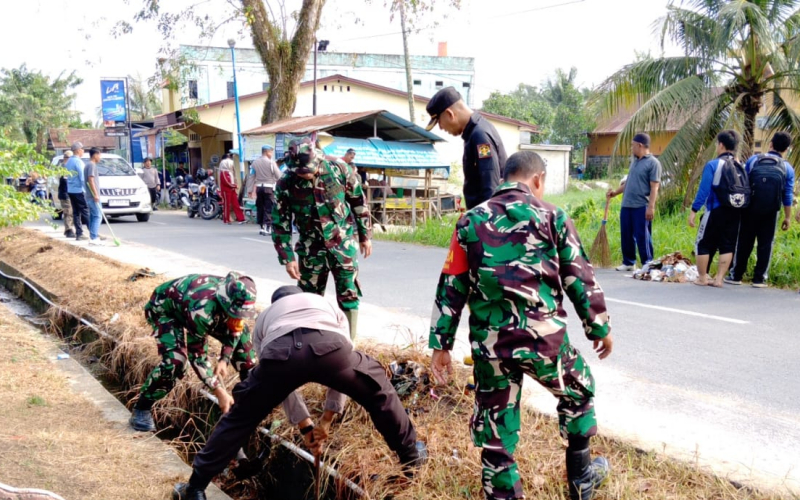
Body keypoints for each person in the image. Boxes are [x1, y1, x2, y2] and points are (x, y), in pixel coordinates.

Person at [429, 150, 613, 500]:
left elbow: (451, 286)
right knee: (579, 392)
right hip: (545, 342)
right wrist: (599, 327)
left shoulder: (470, 220)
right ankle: (582, 480)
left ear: (504, 178)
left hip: (491, 346)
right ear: (538, 180)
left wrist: (441, 346)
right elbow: (580, 278)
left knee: (495, 430)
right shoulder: (553, 216)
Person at [171, 285, 426, 500]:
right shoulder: (322, 303)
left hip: (279, 353)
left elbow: (280, 384)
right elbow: (342, 370)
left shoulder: (266, 316)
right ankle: (412, 458)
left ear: (276, 303)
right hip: (331, 347)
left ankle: (194, 488)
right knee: (379, 391)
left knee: (238, 419)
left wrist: (306, 426)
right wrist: (326, 419)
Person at [129, 272, 258, 432]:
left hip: (198, 307)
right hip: (164, 309)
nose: (237, 316)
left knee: (245, 353)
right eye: (233, 313)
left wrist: (225, 359)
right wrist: (218, 391)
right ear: (225, 302)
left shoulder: (237, 293)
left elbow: (237, 327)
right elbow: (197, 357)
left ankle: (248, 406)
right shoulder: (202, 311)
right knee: (175, 362)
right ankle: (142, 408)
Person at [272, 141, 371, 340]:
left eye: (307, 171)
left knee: (349, 296)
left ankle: (348, 345)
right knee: (308, 302)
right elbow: (280, 222)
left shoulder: (339, 170)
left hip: (343, 246)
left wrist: (365, 236)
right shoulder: (286, 182)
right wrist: (287, 257)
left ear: (318, 160)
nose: (304, 175)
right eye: (299, 172)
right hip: (311, 251)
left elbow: (358, 202)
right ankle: (313, 346)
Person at [726, 132, 795, 288]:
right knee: (766, 244)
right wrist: (787, 217)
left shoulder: (754, 160)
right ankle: (759, 279)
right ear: (786, 149)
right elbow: (787, 195)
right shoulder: (787, 168)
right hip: (771, 211)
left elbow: (743, 182)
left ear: (770, 144)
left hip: (750, 209)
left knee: (744, 242)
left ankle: (736, 275)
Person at [426, 86, 507, 209]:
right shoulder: (475, 132)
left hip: (487, 220)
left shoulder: (480, 136)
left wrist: (484, 223)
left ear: (450, 114)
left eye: (439, 122)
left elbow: (490, 186)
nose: (441, 128)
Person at [688, 131, 744, 287]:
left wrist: (694, 210)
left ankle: (703, 278)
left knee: (703, 243)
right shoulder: (740, 164)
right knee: (727, 244)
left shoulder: (713, 164)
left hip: (714, 209)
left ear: (721, 145)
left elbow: (704, 191)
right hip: (735, 211)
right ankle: (719, 279)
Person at [606, 132, 662, 271]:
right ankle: (629, 262)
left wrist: (651, 207)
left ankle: (647, 262)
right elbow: (628, 184)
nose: (631, 148)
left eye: (632, 145)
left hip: (641, 205)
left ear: (640, 145)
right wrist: (614, 194)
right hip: (627, 204)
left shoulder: (653, 163)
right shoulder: (635, 162)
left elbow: (655, 187)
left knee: (642, 235)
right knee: (626, 234)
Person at [250, 145, 282, 235]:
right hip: (269, 188)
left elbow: (251, 176)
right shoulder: (271, 163)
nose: (271, 154)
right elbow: (278, 175)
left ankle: (261, 227)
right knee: (269, 208)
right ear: (267, 152)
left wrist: (249, 190)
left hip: (259, 188)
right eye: (271, 152)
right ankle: (267, 227)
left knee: (260, 207)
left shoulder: (255, 163)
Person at [64, 141, 90, 241]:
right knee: (85, 211)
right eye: (82, 149)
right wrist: (88, 189)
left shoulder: (69, 161)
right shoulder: (78, 161)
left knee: (76, 212)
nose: (83, 151)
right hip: (79, 190)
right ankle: (93, 231)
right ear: (78, 150)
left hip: (71, 190)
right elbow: (83, 177)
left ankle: (79, 233)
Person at [84, 148, 104, 246]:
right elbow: (90, 179)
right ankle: (94, 237)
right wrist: (96, 194)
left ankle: (92, 236)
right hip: (92, 196)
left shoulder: (88, 165)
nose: (100, 157)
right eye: (99, 155)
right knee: (97, 216)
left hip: (89, 196)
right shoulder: (91, 165)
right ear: (95, 155)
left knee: (93, 216)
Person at [219, 154, 245, 224]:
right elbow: (225, 182)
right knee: (227, 205)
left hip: (232, 190)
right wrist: (234, 186)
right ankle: (226, 219)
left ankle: (241, 218)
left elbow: (233, 180)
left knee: (236, 204)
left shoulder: (230, 172)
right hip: (226, 190)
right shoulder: (223, 172)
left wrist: (234, 185)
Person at [58, 151, 76, 238]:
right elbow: (64, 182)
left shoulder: (69, 168)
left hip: (70, 193)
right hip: (65, 194)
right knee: (68, 212)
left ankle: (70, 229)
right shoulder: (64, 168)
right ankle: (68, 230)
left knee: (72, 212)